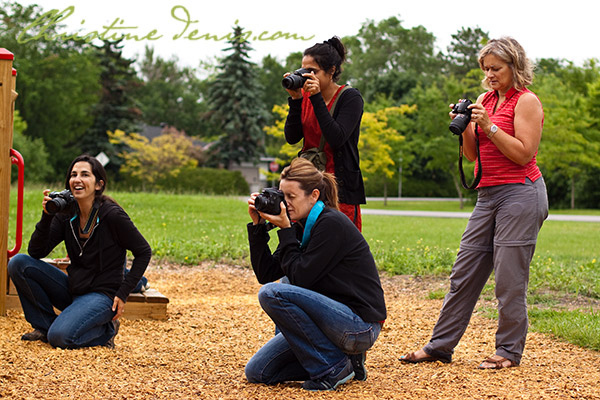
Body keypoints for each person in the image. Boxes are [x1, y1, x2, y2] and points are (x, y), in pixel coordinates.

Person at [400, 37, 548, 369]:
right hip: (488, 194)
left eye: (496, 68)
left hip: (521, 193)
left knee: (509, 278)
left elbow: (524, 153)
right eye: (486, 69)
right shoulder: (484, 100)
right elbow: (471, 155)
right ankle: (440, 346)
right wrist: (466, 125)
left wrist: (488, 125)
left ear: (514, 66)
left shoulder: (527, 102)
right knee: (463, 273)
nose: (490, 75)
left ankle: (508, 351)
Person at [244, 158, 386, 391]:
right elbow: (265, 272)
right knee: (258, 372)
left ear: (314, 195)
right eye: (282, 195)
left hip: (359, 327)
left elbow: (300, 279)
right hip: (331, 324)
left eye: (291, 197)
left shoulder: (331, 224)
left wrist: (286, 230)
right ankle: (344, 362)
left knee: (275, 291)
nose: (284, 203)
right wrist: (258, 228)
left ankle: (331, 367)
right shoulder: (300, 225)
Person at [8, 154, 152, 349]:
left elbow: (143, 251)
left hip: (103, 295)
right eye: (73, 174)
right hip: (74, 288)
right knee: (19, 263)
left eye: (85, 175)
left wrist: (123, 293)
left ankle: (106, 330)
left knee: (60, 338)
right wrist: (47, 217)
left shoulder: (112, 215)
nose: (77, 179)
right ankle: (45, 327)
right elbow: (36, 251)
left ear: (99, 184)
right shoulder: (66, 214)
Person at [283, 36, 366, 231]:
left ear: (331, 71)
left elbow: (336, 138)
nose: (306, 76)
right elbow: (292, 137)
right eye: (303, 70)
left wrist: (316, 98)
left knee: (339, 239)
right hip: (308, 183)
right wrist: (296, 100)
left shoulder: (350, 98)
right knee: (304, 238)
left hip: (339, 186)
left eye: (313, 71)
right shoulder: (304, 96)